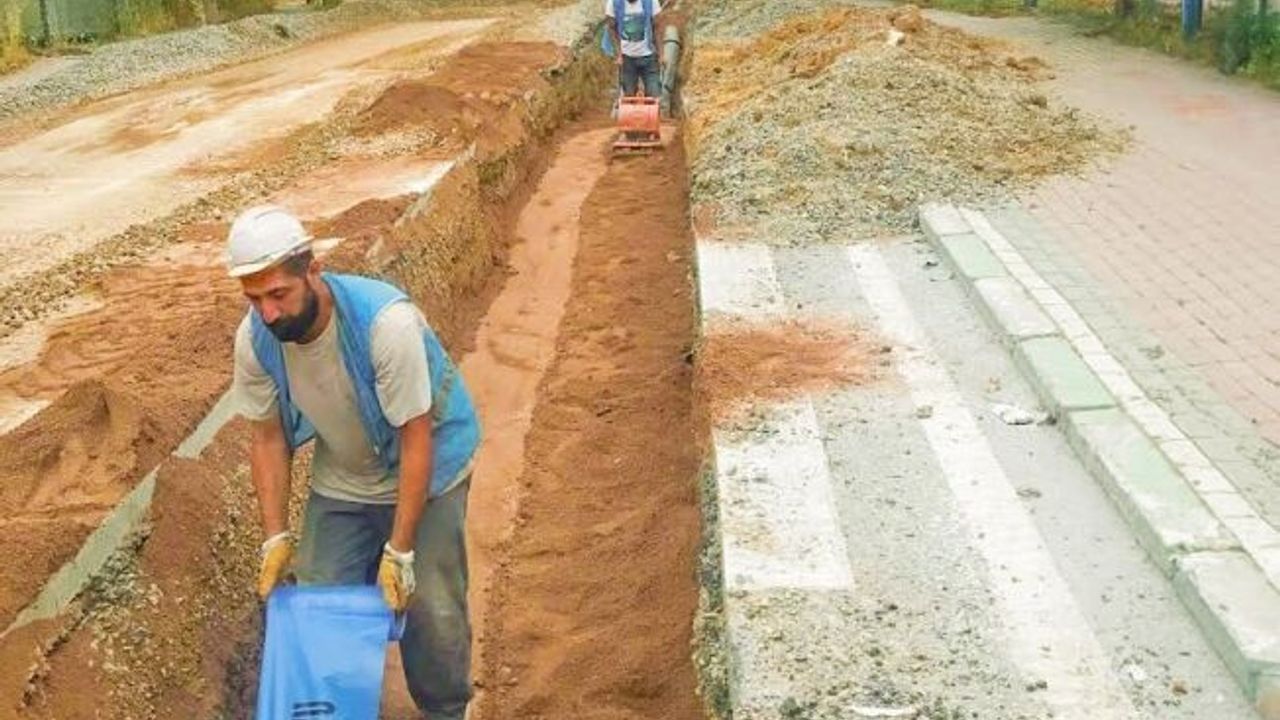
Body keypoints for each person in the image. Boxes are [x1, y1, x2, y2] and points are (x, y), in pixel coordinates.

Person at [226, 205, 480, 720]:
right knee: (321, 607)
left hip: (427, 469)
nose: (268, 313)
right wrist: (276, 537)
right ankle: (340, 707)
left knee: (431, 608)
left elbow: (416, 437)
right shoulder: (255, 340)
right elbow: (268, 438)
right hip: (344, 477)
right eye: (255, 298)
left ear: (312, 270)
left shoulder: (385, 325)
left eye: (278, 294)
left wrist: (402, 551)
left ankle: (447, 709)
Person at [606, 0, 664, 99]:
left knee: (654, 95)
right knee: (629, 96)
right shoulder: (614, 3)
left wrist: (661, 54)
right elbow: (611, 28)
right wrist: (618, 53)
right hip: (627, 58)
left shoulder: (651, 2)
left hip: (648, 57)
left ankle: (653, 113)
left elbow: (657, 28)